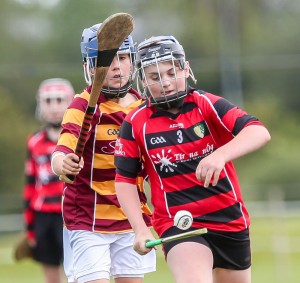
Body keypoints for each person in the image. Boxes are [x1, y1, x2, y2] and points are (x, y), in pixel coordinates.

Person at [114, 35, 271, 283]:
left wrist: (220, 155)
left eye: (170, 72)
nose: (165, 82)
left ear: (186, 69)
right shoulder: (135, 123)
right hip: (179, 222)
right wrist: (140, 229)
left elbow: (259, 131)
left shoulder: (206, 104)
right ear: (142, 80)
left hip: (229, 219)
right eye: (155, 77)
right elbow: (124, 180)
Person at [51, 23, 156, 283]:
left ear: (132, 61)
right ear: (90, 67)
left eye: (122, 58)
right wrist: (63, 164)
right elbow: (61, 150)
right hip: (87, 220)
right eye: (106, 61)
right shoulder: (81, 106)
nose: (116, 67)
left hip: (131, 220)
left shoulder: (144, 109)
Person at [23, 78, 75, 283]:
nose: (54, 107)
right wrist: (30, 227)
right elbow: (30, 186)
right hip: (44, 216)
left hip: (72, 214)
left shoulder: (79, 140)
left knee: (79, 273)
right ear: (40, 104)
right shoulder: (34, 141)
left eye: (60, 100)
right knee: (51, 277)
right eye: (48, 100)